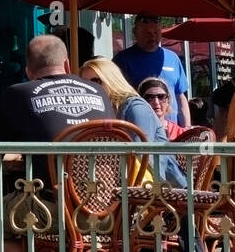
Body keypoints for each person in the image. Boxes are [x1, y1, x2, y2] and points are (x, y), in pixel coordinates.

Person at [0, 35, 114, 252]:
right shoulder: (99, 92)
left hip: (55, 209)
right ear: (68, 65)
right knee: (91, 230)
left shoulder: (19, 93)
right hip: (107, 209)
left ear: (29, 71)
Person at [80, 58, 187, 187]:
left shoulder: (135, 106)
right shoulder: (106, 110)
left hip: (158, 185)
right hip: (125, 183)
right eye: (84, 84)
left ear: (111, 80)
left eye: (96, 82)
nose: (90, 88)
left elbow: (140, 154)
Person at [113, 14, 191, 129]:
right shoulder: (122, 59)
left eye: (156, 32)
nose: (152, 36)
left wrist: (187, 127)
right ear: (135, 33)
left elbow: (180, 97)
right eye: (147, 33)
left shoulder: (172, 58)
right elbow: (116, 99)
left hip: (171, 131)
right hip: (139, 131)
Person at [138, 76, 184, 141]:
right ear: (141, 101)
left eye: (161, 96)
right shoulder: (134, 131)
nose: (156, 102)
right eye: (149, 97)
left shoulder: (180, 133)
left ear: (168, 101)